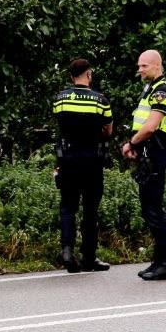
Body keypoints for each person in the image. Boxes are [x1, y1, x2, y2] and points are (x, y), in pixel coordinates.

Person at [120, 49, 166, 281]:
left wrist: (130, 143)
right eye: (139, 66)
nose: (140, 70)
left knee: (154, 209)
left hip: (157, 152)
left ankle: (165, 264)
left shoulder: (164, 89)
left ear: (156, 65)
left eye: (143, 66)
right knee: (149, 207)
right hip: (149, 153)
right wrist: (137, 146)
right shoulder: (152, 88)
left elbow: (151, 126)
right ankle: (158, 261)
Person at [52, 58, 113, 273]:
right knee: (90, 209)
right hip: (92, 159)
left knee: (68, 206)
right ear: (89, 74)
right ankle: (89, 257)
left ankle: (67, 251)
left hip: (67, 158)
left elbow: (59, 123)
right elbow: (108, 130)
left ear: (71, 76)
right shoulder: (100, 100)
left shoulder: (60, 98)